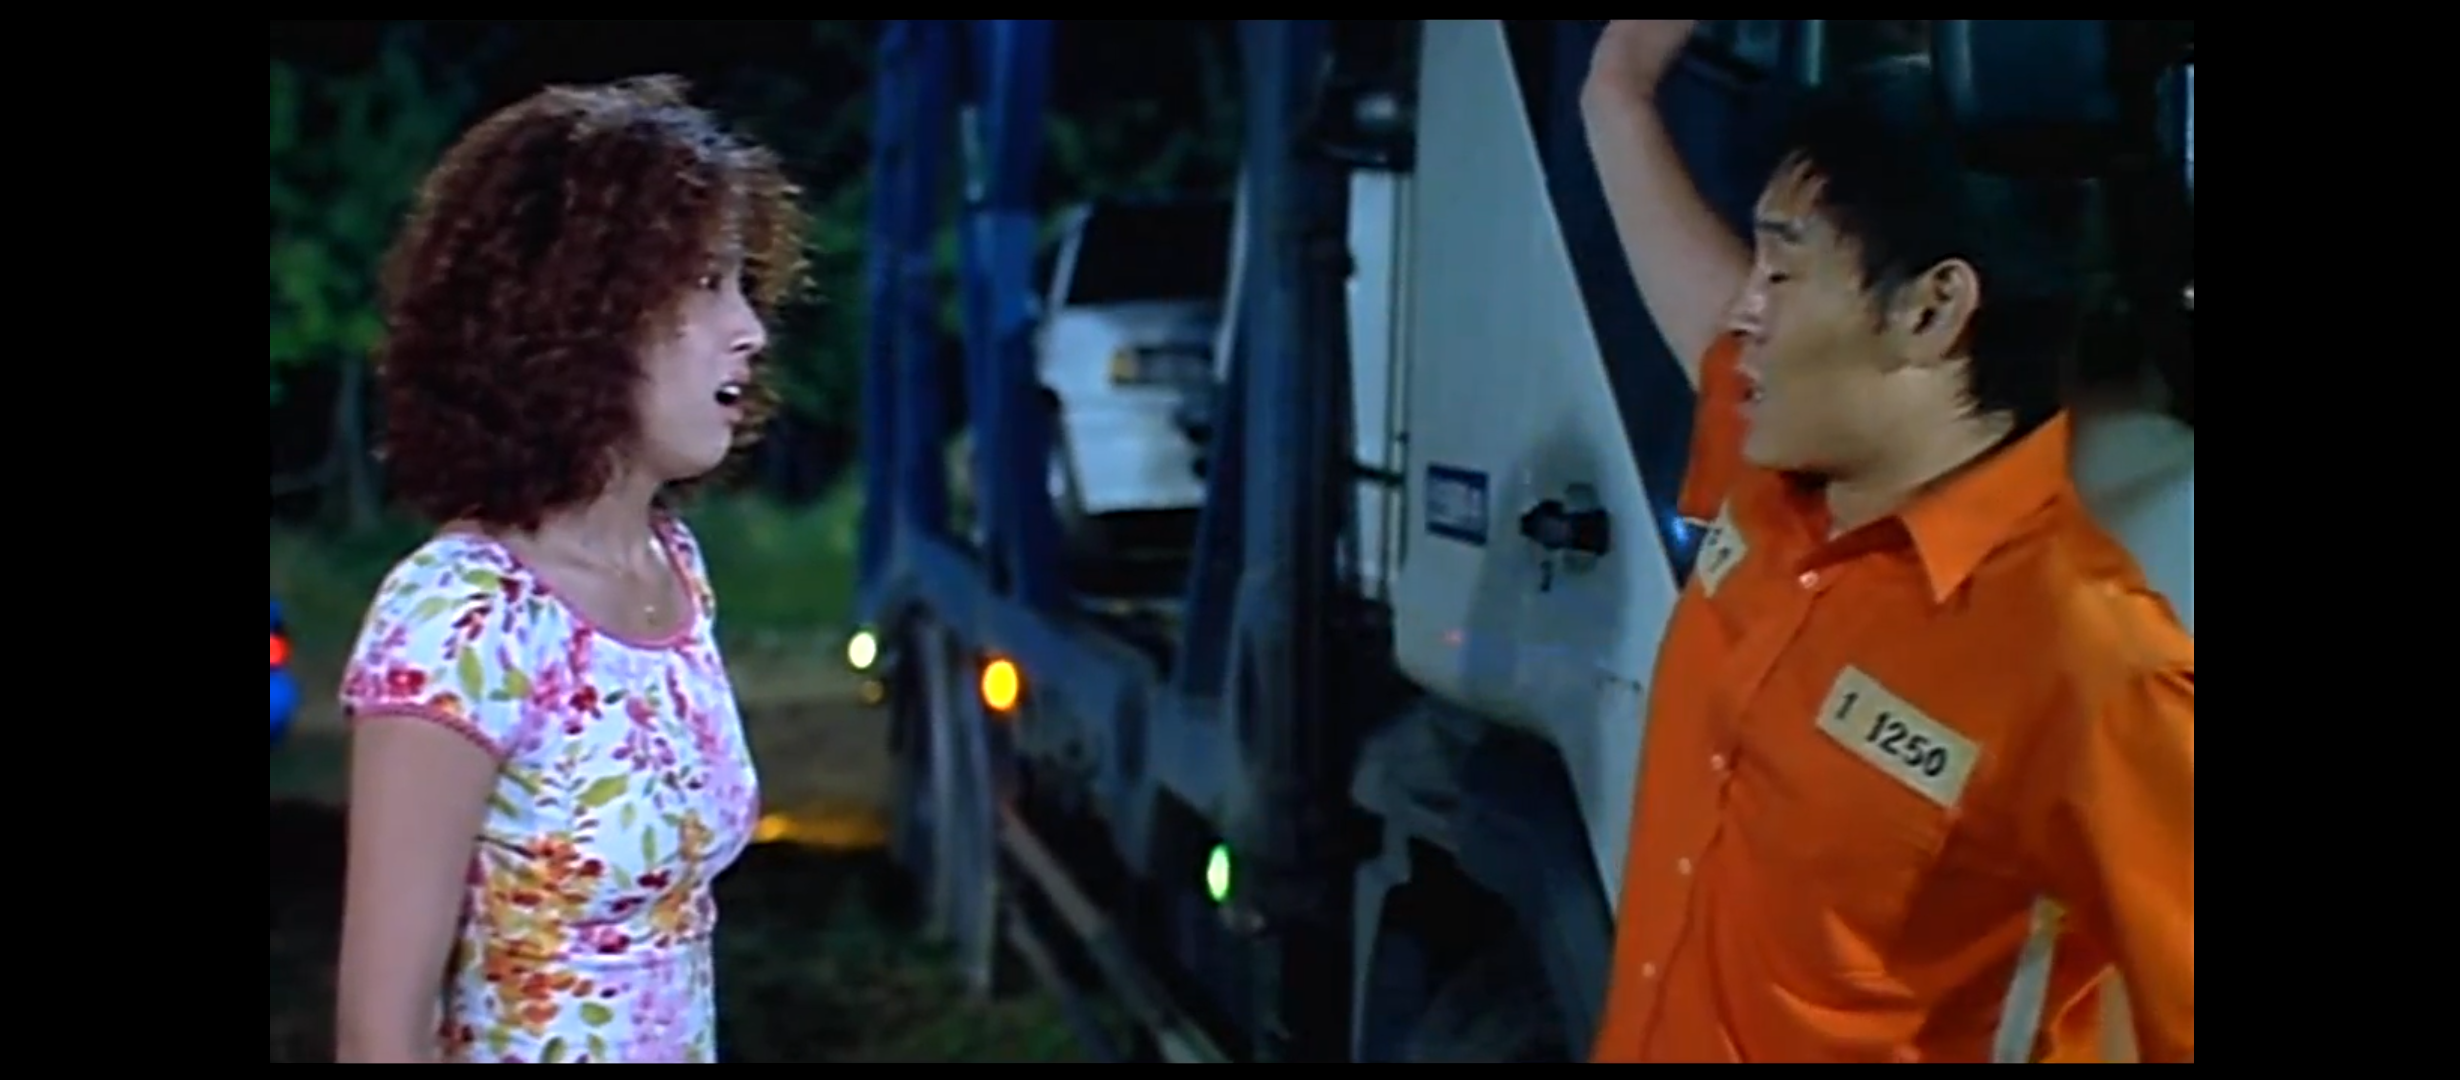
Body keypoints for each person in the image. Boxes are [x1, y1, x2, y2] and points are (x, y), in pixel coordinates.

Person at [1578, 21, 2193, 1064]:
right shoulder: (1776, 465)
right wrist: (1618, 85)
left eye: (1783, 271)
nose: (1744, 313)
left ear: (1932, 310)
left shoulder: (2085, 660)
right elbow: (1688, 274)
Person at [330, 76, 808, 1064]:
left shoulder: (674, 570)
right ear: (576, 314)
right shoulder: (461, 617)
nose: (749, 330)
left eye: (741, 282)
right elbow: (380, 1032)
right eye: (702, 282)